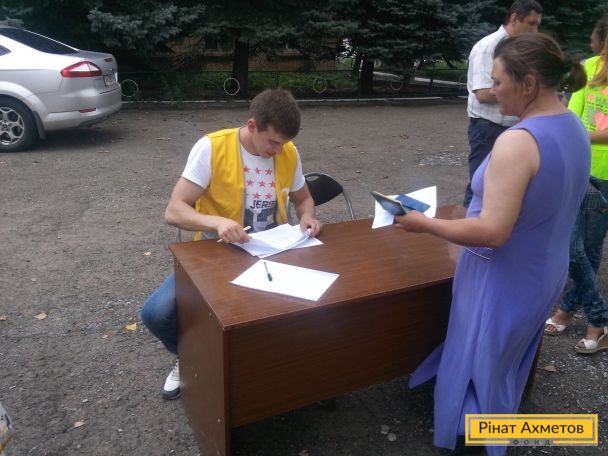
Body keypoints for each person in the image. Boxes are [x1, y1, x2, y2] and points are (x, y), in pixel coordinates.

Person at [400, 33, 589, 455]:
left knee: (480, 357)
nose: (492, 89)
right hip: (543, 269)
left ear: (528, 83)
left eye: (499, 80)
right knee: (503, 359)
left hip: (502, 276)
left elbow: (492, 232)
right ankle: (492, 425)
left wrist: (425, 224)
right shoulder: (573, 126)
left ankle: (477, 437)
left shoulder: (518, 141)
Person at [141, 89, 322, 400]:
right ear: (252, 125)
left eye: (284, 143)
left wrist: (307, 217)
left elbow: (303, 199)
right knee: (156, 313)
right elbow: (174, 211)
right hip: (217, 251)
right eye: (273, 142)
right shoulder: (212, 148)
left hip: (273, 250)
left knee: (319, 304)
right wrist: (217, 223)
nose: (279, 151)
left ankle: (302, 373)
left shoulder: (288, 151)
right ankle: (188, 356)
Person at [544, 17, 608, 353]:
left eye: (594, 34)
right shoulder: (589, 66)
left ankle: (569, 311)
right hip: (580, 167)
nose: (590, 38)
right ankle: (597, 317)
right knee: (573, 247)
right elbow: (573, 111)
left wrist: (576, 134)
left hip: (607, 175)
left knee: (590, 249)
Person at [463, 0, 543, 207]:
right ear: (515, 18)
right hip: (488, 130)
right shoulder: (488, 47)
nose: (535, 31)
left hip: (515, 128)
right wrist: (528, 93)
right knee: (480, 187)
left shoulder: (520, 49)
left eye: (537, 25)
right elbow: (482, 93)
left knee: (507, 188)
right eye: (531, 23)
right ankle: (469, 225)